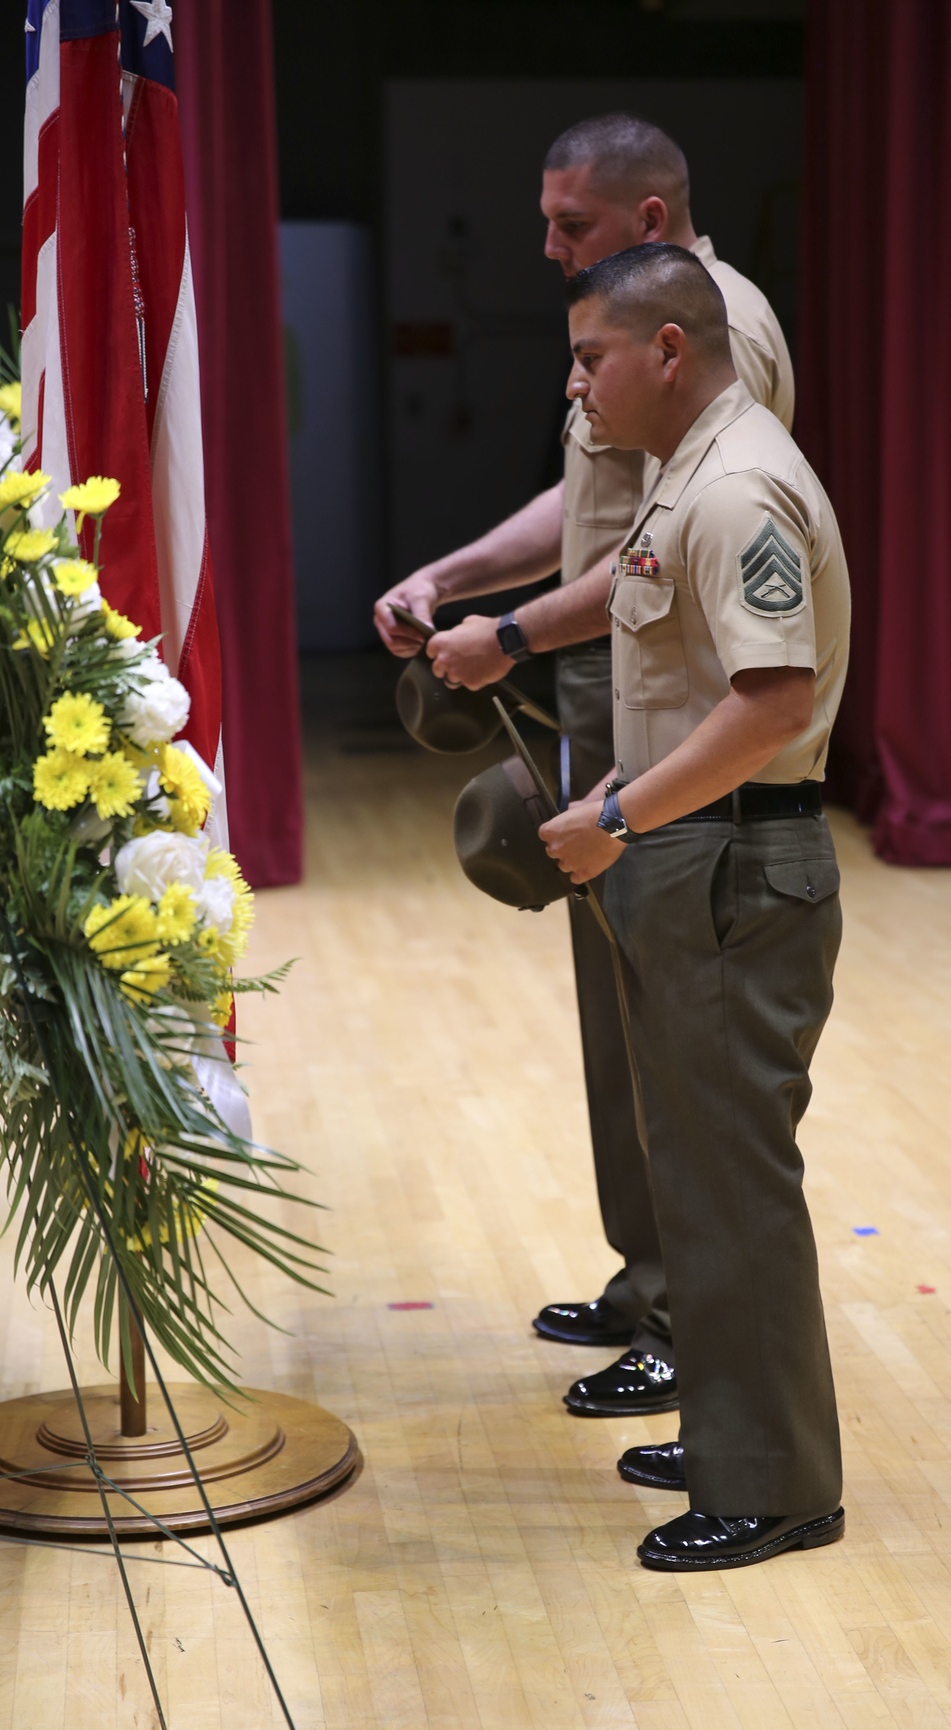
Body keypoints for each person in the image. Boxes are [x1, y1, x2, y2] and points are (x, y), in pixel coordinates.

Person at [374, 114, 795, 1419]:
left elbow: (662, 549)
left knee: (677, 1030)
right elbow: (592, 507)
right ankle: (650, 1276)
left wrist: (508, 633)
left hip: (679, 723)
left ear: (651, 222)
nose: (547, 245)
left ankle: (690, 1320)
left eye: (572, 224)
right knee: (623, 1022)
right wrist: (462, 576)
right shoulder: (618, 321)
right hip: (612, 699)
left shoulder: (712, 325)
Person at [537, 242, 848, 1569]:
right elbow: (683, 679)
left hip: (735, 865)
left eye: (592, 357)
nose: (577, 385)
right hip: (689, 849)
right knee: (697, 1176)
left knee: (733, 1182)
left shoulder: (740, 485)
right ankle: (731, 1426)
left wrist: (613, 814)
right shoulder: (685, 476)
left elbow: (772, 699)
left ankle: (776, 1486)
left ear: (670, 349)